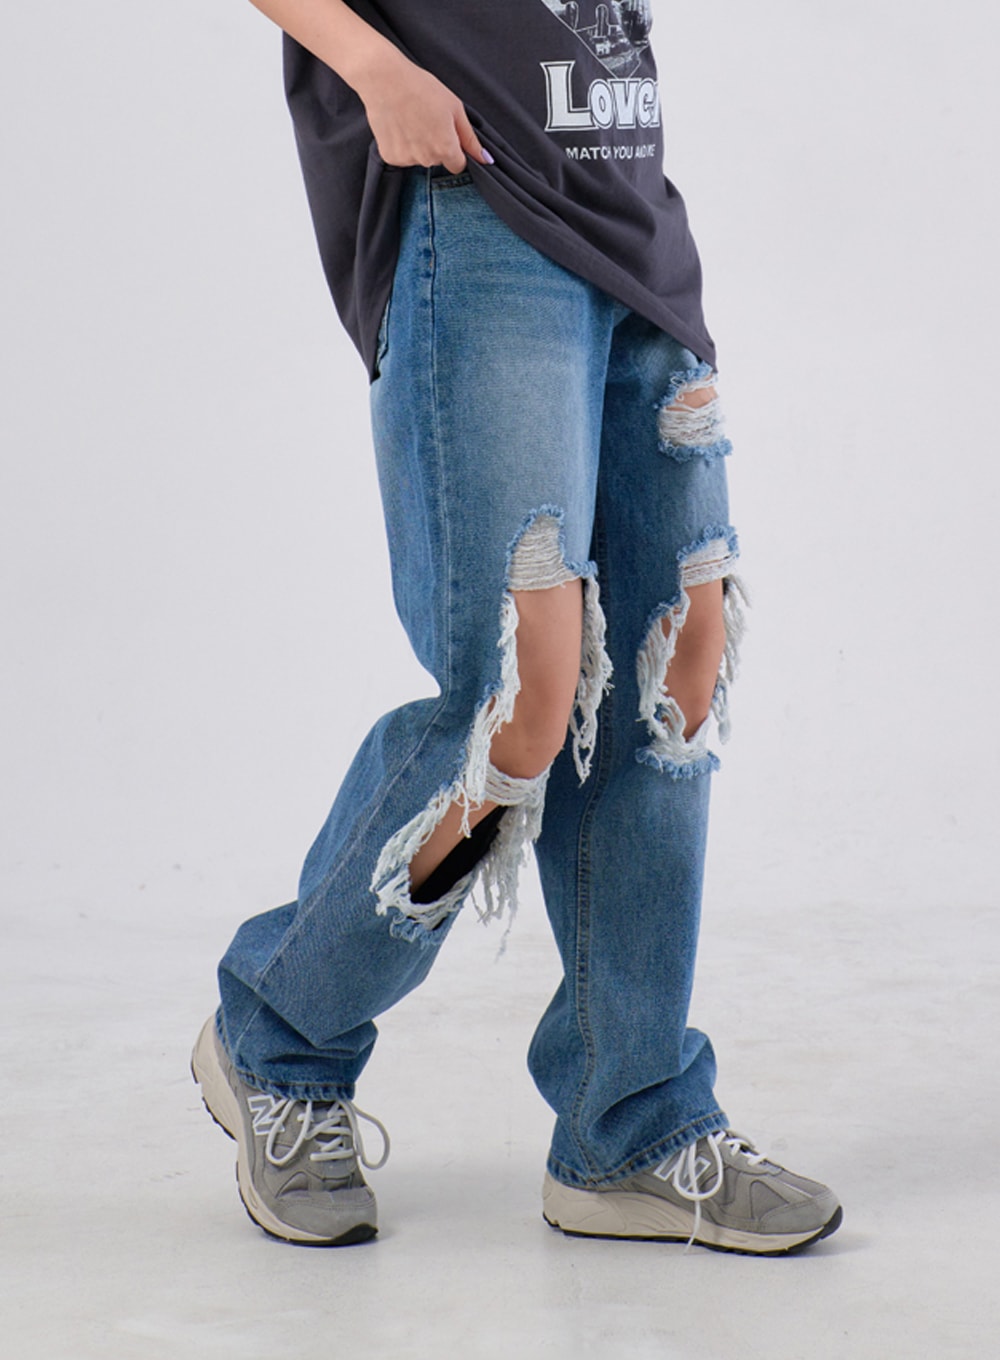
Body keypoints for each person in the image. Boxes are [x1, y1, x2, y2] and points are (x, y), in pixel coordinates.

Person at [191, 0, 843, 1255]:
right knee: (516, 705)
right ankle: (282, 1035)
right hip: (476, 209)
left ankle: (629, 1121)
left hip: (633, 218)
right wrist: (374, 66)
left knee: (670, 682)